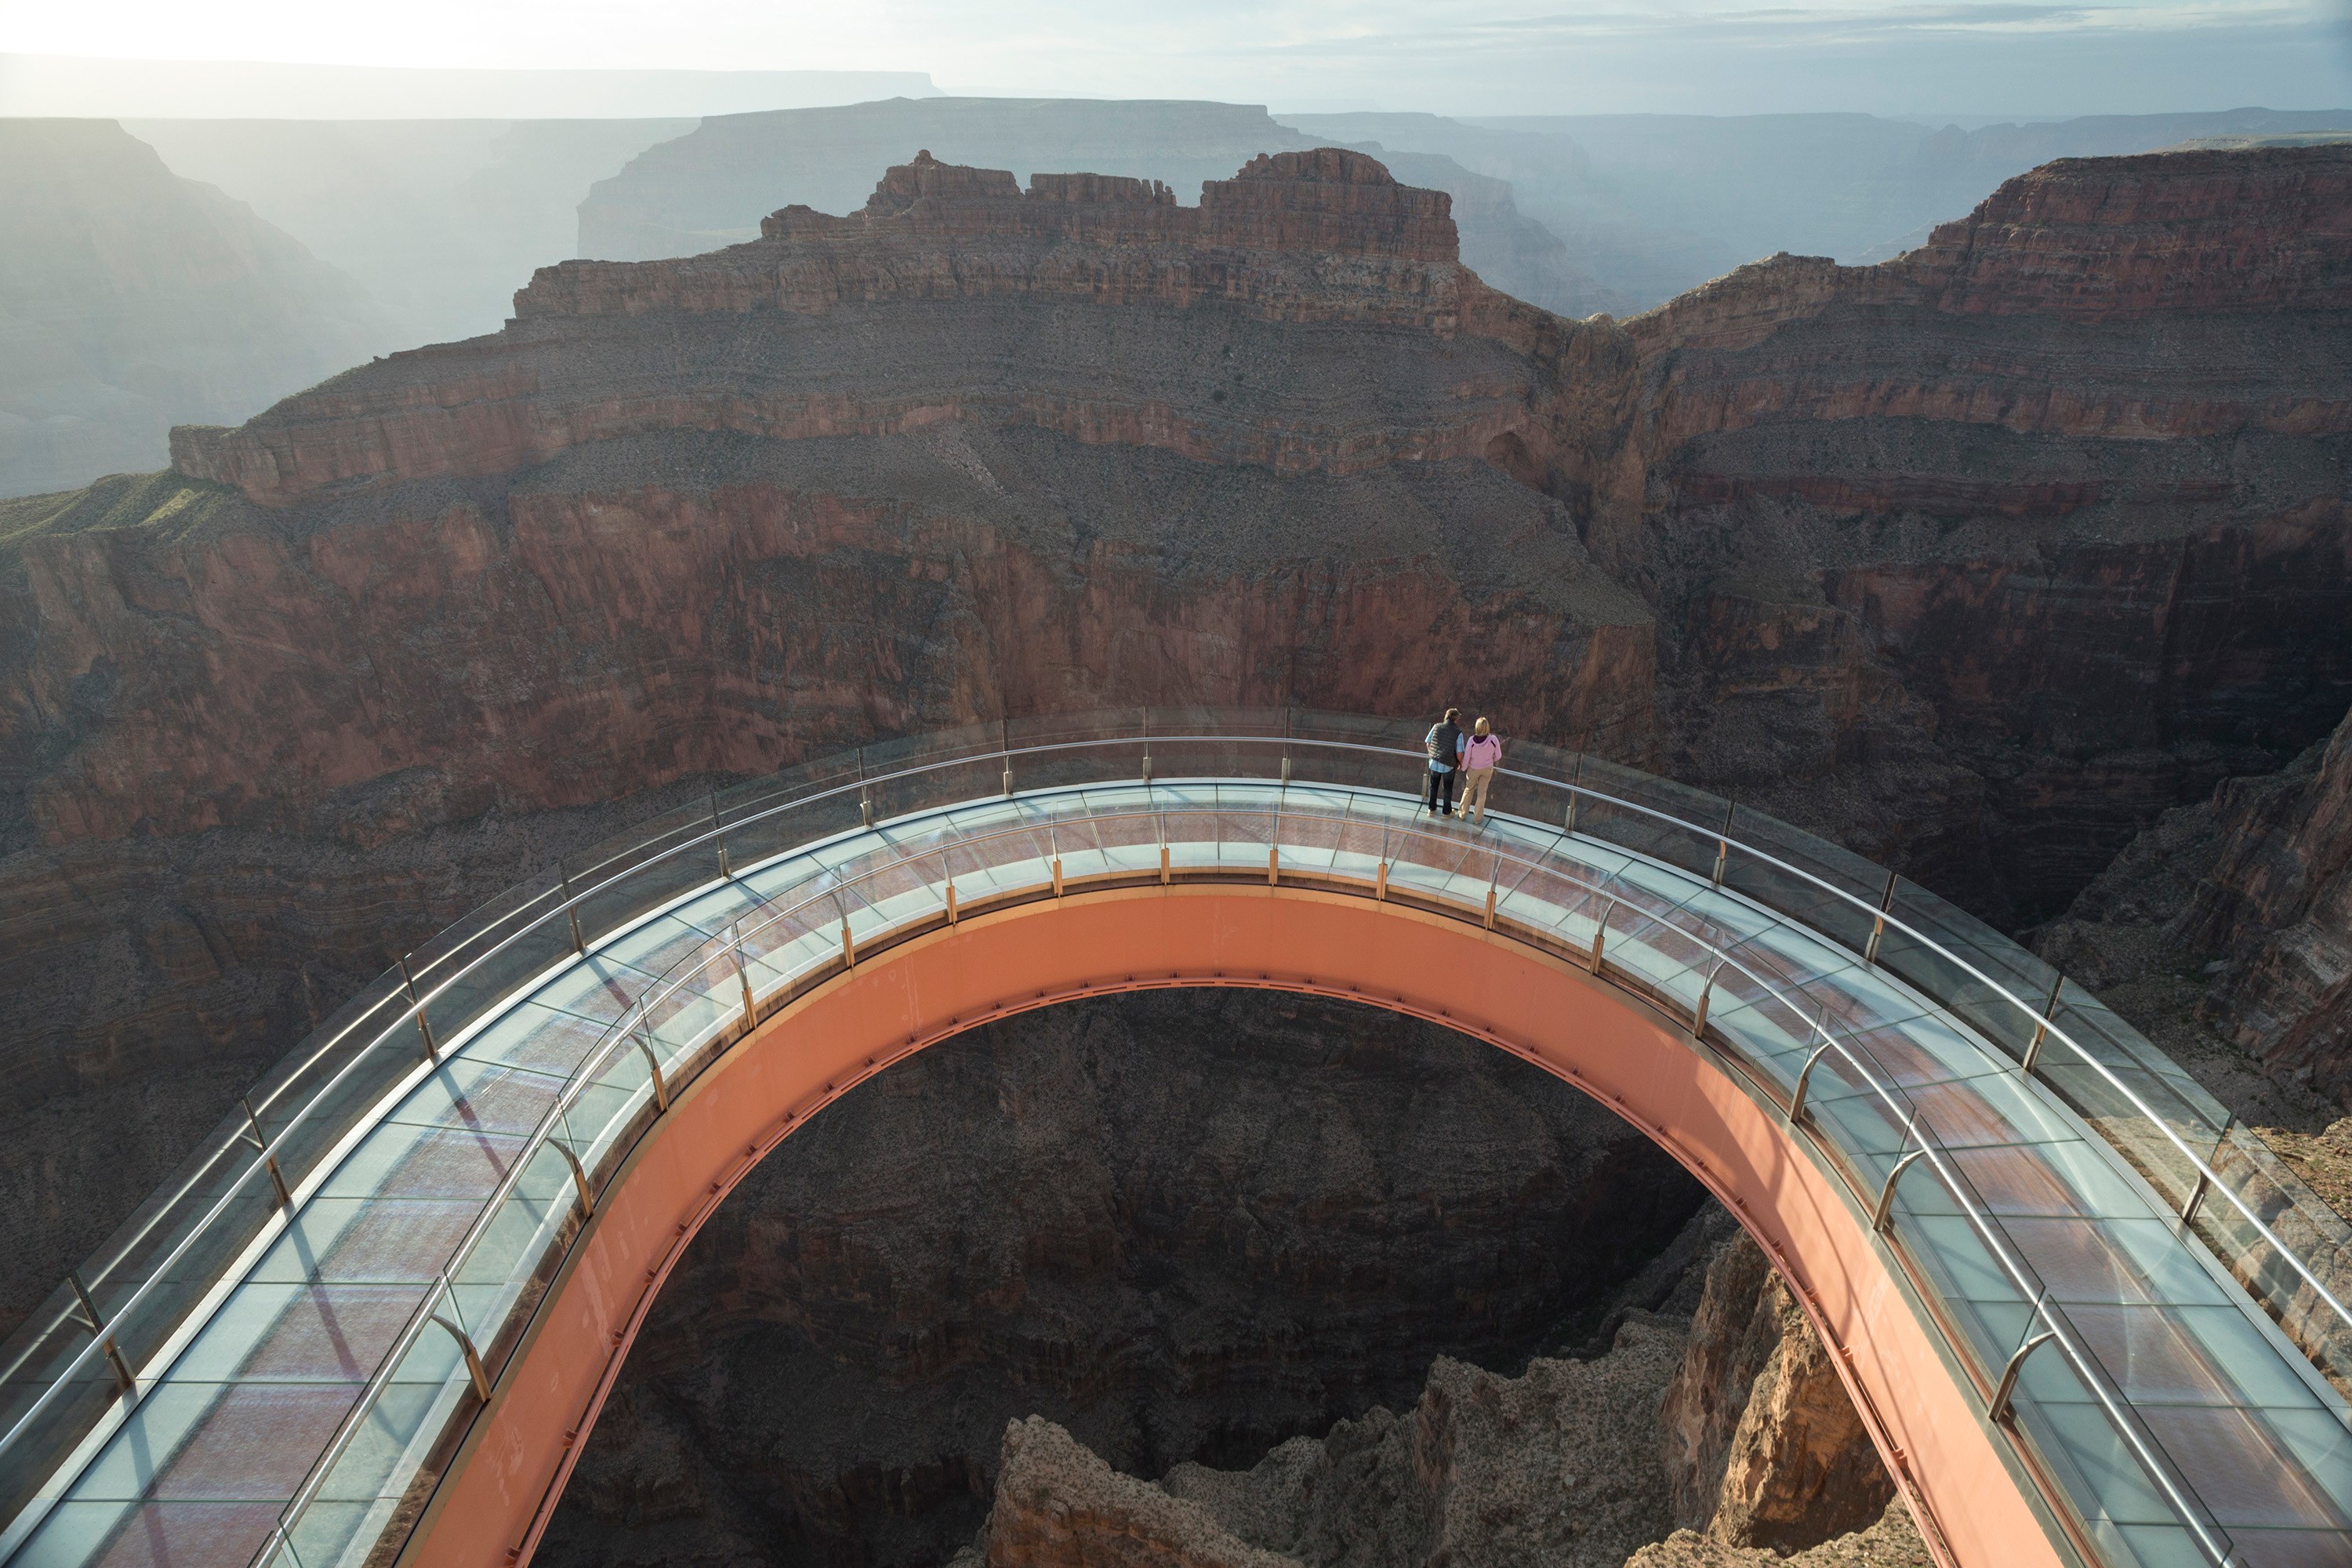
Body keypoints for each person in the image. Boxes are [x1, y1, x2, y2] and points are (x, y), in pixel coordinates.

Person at [1457, 717, 1502, 826]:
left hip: (1473, 769)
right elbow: (1499, 756)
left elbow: (1467, 756)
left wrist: (1463, 768)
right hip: (1487, 769)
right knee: (1482, 794)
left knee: (1468, 790)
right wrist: (1491, 759)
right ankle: (1477, 818)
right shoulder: (1493, 740)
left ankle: (1462, 814)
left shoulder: (1472, 740)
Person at [1425, 707, 1464, 816]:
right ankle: (1446, 813)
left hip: (1434, 762)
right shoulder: (1458, 733)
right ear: (1456, 720)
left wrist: (1432, 754)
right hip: (1449, 765)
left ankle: (1431, 810)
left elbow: (1428, 742)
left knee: (1433, 786)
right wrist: (1460, 763)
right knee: (1447, 788)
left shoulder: (1437, 726)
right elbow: (1459, 753)